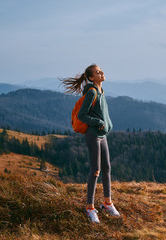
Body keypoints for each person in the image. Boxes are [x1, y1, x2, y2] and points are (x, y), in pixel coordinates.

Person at [60, 64, 120, 223]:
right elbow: (82, 115)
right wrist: (98, 122)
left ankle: (107, 203)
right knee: (96, 170)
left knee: (107, 168)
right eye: (98, 72)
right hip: (93, 136)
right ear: (92, 77)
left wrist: (108, 124)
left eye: (101, 70)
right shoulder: (92, 92)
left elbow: (103, 113)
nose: (102, 72)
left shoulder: (101, 91)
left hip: (102, 135)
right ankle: (90, 208)